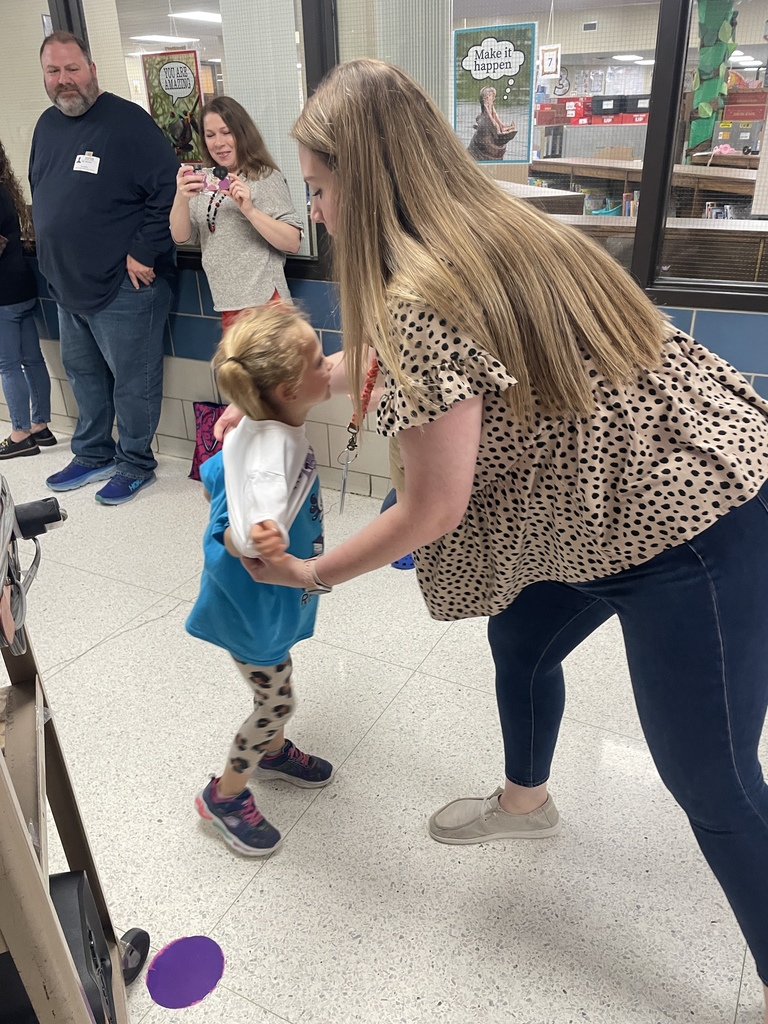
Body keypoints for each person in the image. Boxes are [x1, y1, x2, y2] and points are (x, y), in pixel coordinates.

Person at [234, 59, 768, 1018]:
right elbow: (418, 364)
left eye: (318, 189)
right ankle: (527, 803)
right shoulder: (491, 227)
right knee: (521, 641)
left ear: (368, 179)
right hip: (599, 515)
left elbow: (431, 508)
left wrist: (306, 572)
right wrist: (284, 392)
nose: (316, 212)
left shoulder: (420, 293)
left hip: (691, 528)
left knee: (713, 782)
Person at [187, 303, 334, 856]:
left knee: (274, 677)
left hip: (255, 600)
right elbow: (247, 542)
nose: (330, 365)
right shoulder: (274, 454)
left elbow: (213, 477)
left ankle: (271, 754)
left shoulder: (257, 424)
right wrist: (257, 536)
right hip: (252, 604)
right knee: (276, 702)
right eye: (319, 361)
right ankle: (224, 796)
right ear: (288, 390)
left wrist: (237, 519)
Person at [30, 31, 177, 505]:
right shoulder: (46, 126)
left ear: (92, 70)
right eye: (54, 71)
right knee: (84, 377)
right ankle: (93, 453)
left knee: (133, 384)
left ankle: (135, 463)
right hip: (67, 283)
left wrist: (145, 250)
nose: (64, 80)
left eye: (72, 69)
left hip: (124, 285)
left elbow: (167, 188)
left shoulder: (128, 123)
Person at [169, 95, 302, 331]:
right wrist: (180, 197)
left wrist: (249, 211)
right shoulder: (207, 181)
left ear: (242, 133)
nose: (218, 143)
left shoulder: (264, 177)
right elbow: (182, 237)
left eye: (226, 132)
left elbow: (293, 242)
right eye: (210, 135)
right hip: (227, 305)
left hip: (266, 303)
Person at [0, 139, 55, 459]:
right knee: (32, 359)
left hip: (3, 294)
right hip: (21, 286)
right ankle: (40, 426)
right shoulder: (5, 191)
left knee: (8, 365)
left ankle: (19, 433)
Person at [467, 86, 517, 161]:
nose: (493, 98)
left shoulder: (487, 117)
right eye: (489, 96)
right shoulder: (483, 124)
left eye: (492, 96)